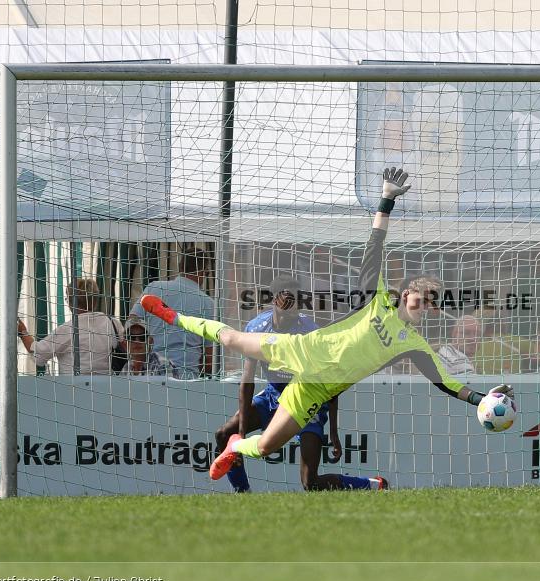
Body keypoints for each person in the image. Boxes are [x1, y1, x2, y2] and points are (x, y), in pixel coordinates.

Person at [140, 167, 512, 478]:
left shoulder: (411, 343)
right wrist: (387, 199)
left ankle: (237, 446)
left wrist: (483, 399)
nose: (424, 304)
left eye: (431, 303)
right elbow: (374, 248)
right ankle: (172, 315)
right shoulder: (378, 299)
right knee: (234, 340)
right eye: (421, 296)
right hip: (303, 351)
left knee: (268, 444)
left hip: (316, 390)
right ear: (407, 291)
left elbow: (444, 382)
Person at [216, 275, 386, 493]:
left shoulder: (310, 331)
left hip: (305, 401)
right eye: (289, 298)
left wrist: (333, 431)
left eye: (299, 299)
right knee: (224, 434)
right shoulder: (257, 327)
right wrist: (240, 434)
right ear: (275, 300)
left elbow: (330, 384)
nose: (294, 304)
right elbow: (247, 381)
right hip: (274, 395)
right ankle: (243, 493)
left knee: (310, 483)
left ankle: (374, 485)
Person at [129, 248, 214, 378]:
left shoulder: (154, 287)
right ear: (204, 272)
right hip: (186, 377)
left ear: (180, 266)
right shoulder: (208, 304)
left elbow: (132, 321)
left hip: (152, 373)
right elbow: (209, 359)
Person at [17, 278, 124, 375]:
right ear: (95, 300)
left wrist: (23, 332)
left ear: (72, 303)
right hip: (108, 389)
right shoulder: (113, 324)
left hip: (74, 389)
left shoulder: (67, 330)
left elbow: (38, 353)